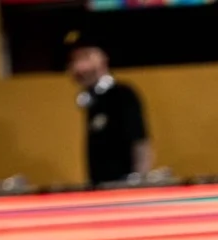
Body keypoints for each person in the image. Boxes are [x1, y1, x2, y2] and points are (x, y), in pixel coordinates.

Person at [65, 30, 153, 186]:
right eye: (74, 59)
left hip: (123, 189)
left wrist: (138, 183)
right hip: (100, 189)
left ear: (103, 59)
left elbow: (140, 142)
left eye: (85, 56)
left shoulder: (123, 94)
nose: (78, 66)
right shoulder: (92, 100)